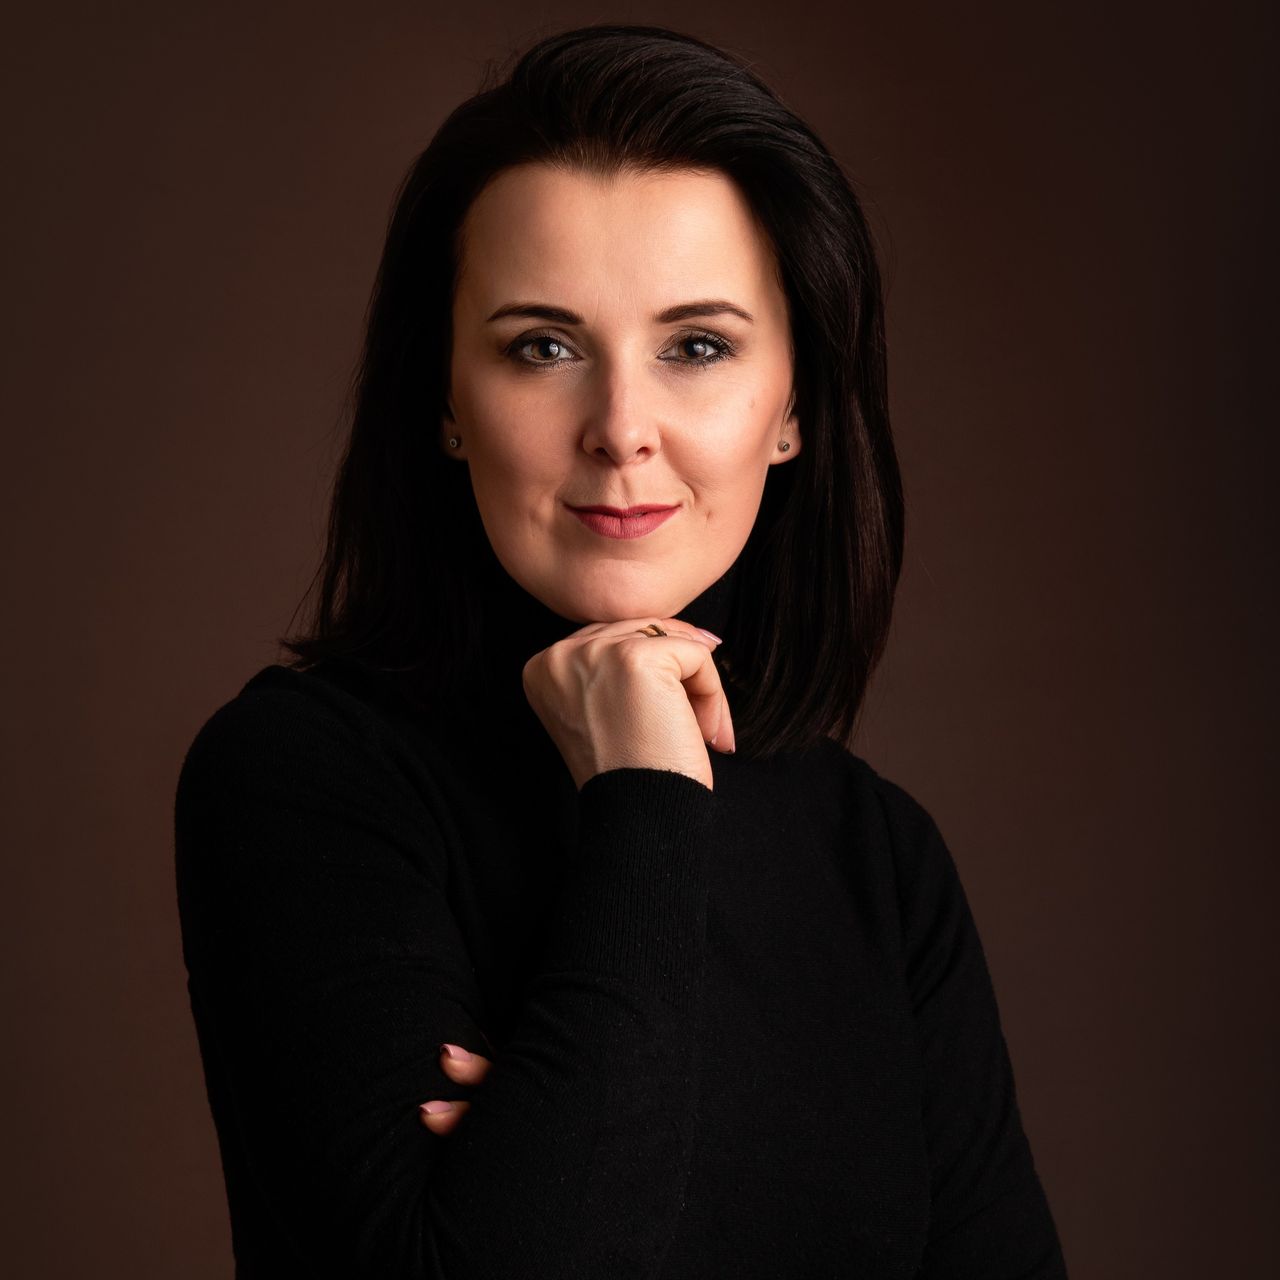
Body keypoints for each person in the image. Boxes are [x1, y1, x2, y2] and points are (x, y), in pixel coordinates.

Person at [174, 22, 1069, 1279]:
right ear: (445, 399)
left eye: (695, 346)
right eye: (541, 347)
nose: (619, 427)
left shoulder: (876, 855)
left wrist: (570, 1130)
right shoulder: (301, 779)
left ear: (794, 406)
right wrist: (643, 797)